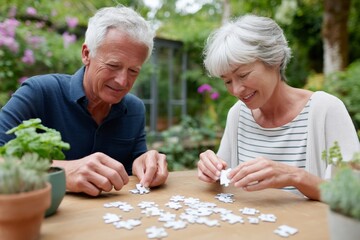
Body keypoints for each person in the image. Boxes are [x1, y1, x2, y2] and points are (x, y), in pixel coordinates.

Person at [0, 6, 168, 196]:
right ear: (86, 54)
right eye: (113, 65)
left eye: (133, 71)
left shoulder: (134, 108)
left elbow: (134, 168)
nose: (123, 81)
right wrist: (63, 172)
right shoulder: (39, 92)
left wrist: (145, 162)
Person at [197, 14, 360, 201]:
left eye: (243, 75)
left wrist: (295, 176)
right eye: (227, 81)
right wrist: (211, 169)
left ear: (275, 60)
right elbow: (223, 178)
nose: (236, 90)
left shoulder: (326, 110)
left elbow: (353, 194)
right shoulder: (238, 114)